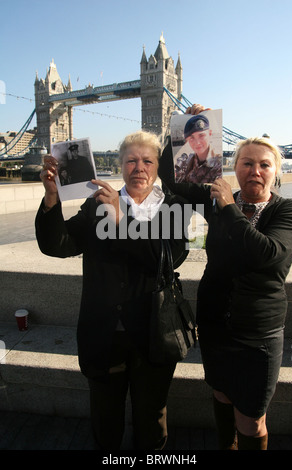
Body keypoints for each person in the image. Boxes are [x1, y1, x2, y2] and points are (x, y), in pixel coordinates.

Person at [35, 130, 189, 450]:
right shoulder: (96, 204)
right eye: (131, 160)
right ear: (119, 166)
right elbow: (57, 245)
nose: (139, 167)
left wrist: (121, 218)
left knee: (152, 418)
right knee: (105, 420)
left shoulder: (176, 207)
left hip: (153, 332)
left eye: (147, 160)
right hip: (104, 333)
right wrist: (52, 197)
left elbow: (169, 258)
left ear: (158, 166)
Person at [158, 104, 292, 450]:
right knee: (220, 396)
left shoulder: (288, 209)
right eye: (247, 163)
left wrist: (229, 208)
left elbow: (268, 255)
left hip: (258, 335)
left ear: (275, 173)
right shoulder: (217, 198)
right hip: (215, 325)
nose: (255, 170)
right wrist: (183, 130)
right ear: (234, 168)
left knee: (251, 421)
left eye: (264, 165)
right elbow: (172, 177)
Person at [175, 113, 222, 183]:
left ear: (210, 133)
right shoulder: (187, 162)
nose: (197, 143)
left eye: (201, 135)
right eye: (191, 138)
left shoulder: (219, 163)